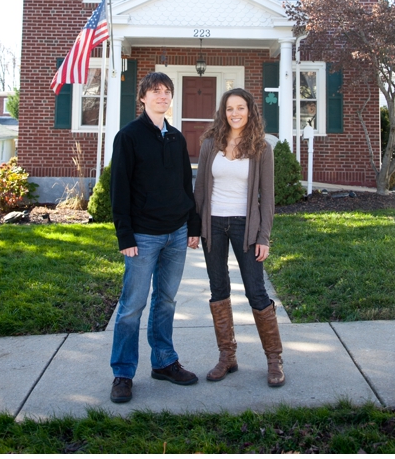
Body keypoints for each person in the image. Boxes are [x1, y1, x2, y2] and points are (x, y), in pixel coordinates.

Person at [109, 72, 201, 404]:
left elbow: (184, 186)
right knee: (132, 306)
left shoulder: (176, 138)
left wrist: (192, 227)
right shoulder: (129, 137)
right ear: (143, 98)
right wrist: (125, 235)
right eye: (155, 91)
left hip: (176, 234)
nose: (162, 96)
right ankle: (122, 373)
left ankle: (163, 361)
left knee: (166, 302)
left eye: (166, 91)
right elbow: (118, 189)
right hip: (143, 237)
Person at [193, 88, 284, 387]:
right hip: (214, 225)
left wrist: (264, 236)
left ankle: (274, 359)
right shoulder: (210, 144)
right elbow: (200, 191)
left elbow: (267, 198)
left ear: (250, 111)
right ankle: (227, 356)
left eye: (240, 108)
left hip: (246, 226)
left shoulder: (261, 148)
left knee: (256, 291)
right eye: (230, 108)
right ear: (223, 111)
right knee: (218, 289)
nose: (235, 113)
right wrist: (195, 227)